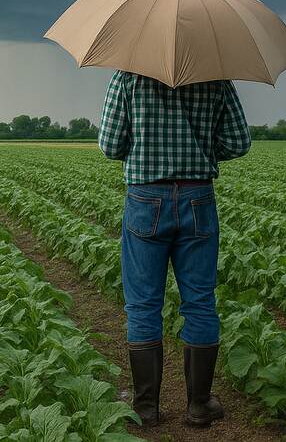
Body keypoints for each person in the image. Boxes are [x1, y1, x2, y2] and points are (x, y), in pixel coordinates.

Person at [98, 70, 251, 428]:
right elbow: (238, 143)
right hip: (198, 196)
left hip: (145, 197)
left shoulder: (127, 78)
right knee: (199, 301)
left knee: (143, 304)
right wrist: (199, 145)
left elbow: (109, 145)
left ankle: (146, 406)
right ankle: (199, 405)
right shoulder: (216, 77)